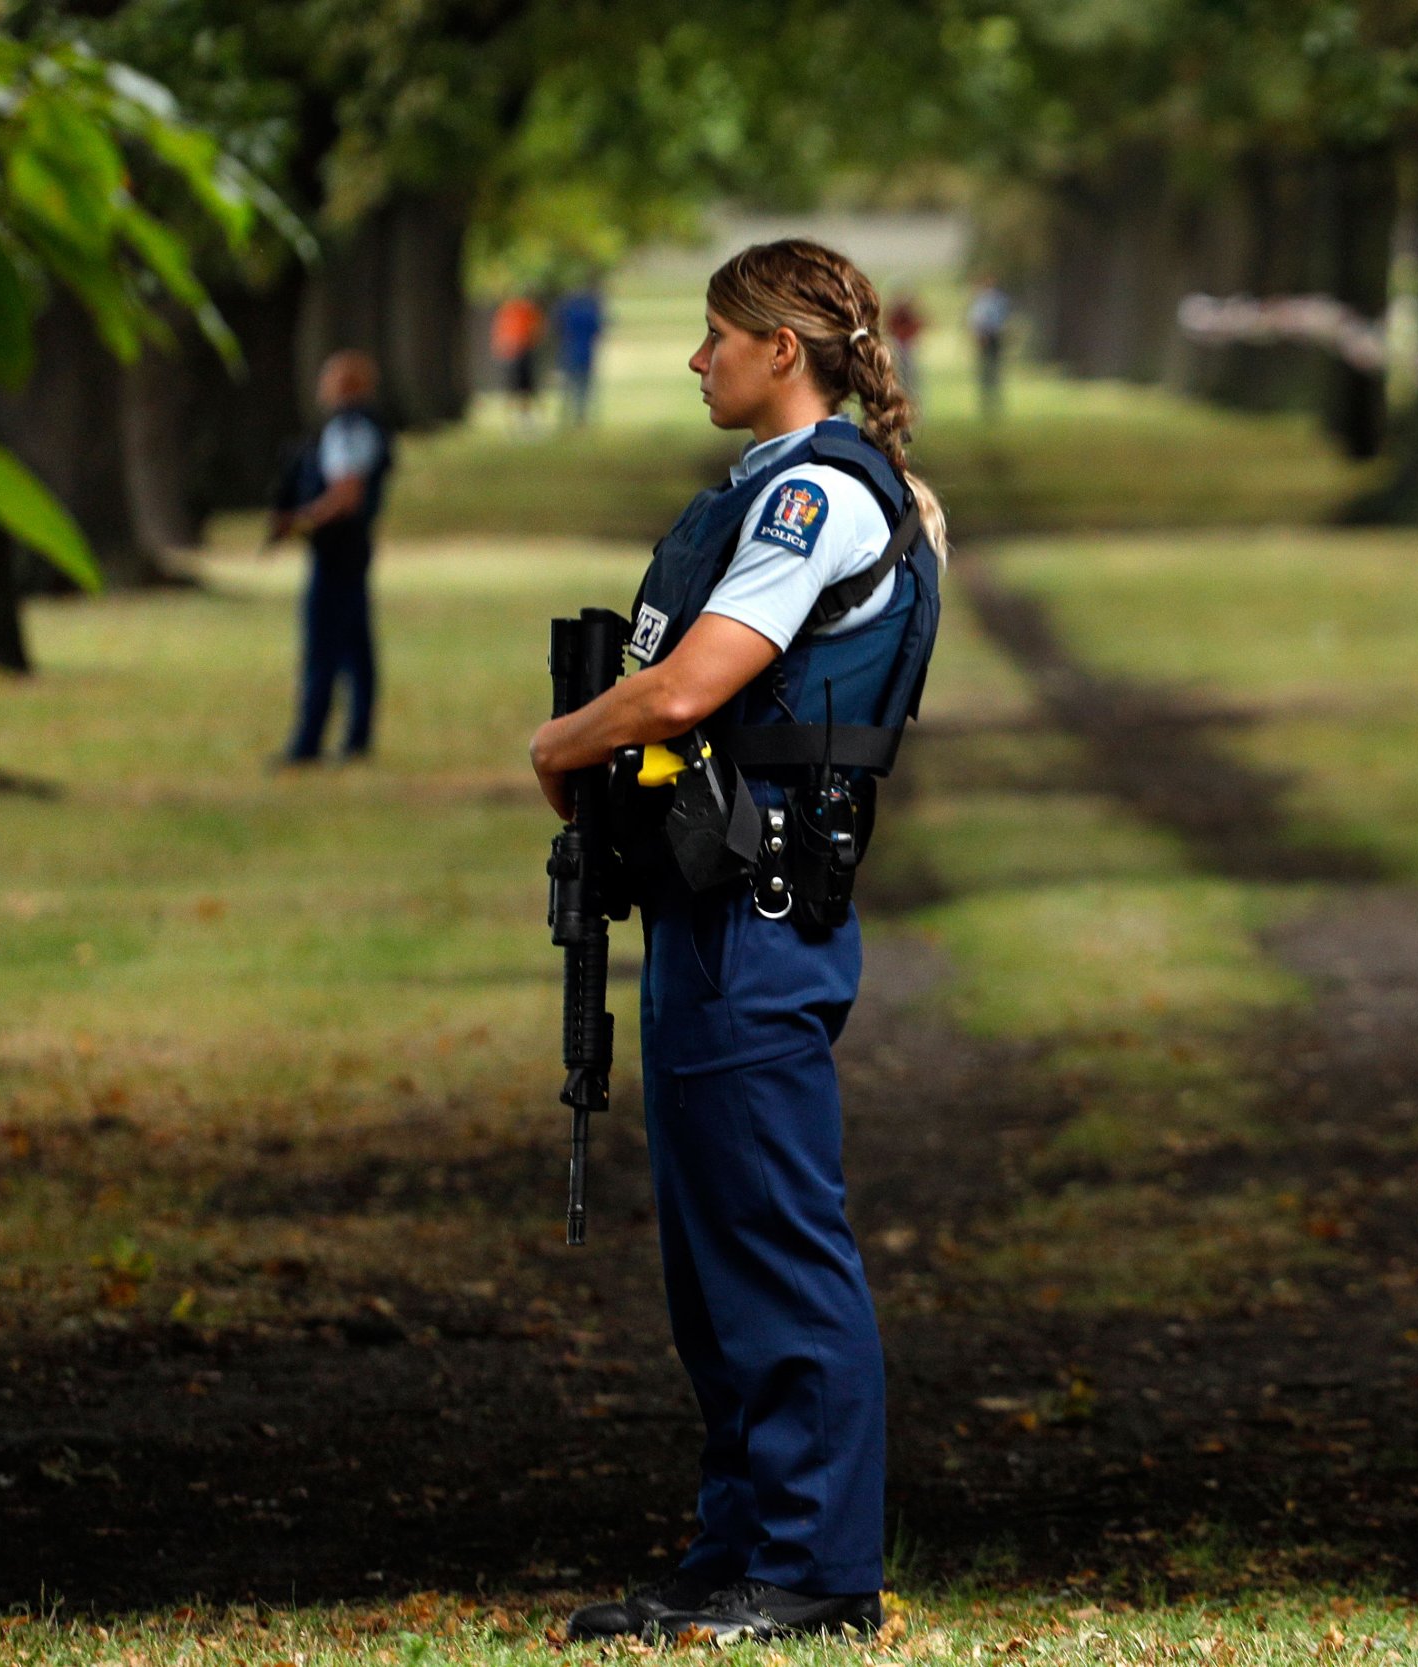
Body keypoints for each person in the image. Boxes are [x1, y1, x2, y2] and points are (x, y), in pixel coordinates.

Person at [529, 239, 947, 1646]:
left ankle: (819, 1564)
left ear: (785, 347)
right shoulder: (792, 484)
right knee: (713, 1258)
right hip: (716, 906)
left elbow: (698, 682)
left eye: (717, 334)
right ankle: (739, 1549)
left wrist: (560, 740)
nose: (698, 358)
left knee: (773, 1241)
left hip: (758, 918)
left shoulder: (816, 493)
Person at [268, 350, 392, 766]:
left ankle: (308, 743)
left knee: (322, 648)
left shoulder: (346, 429)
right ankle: (357, 737)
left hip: (336, 549)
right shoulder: (369, 426)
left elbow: (346, 494)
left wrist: (301, 521)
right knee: (356, 646)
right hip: (355, 550)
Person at [554, 283, 607, 428]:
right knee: (584, 389)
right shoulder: (591, 313)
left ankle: (565, 419)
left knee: (568, 388)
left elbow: (559, 329)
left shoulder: (568, 312)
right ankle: (581, 420)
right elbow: (598, 331)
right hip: (586, 354)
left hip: (569, 353)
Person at [490, 293, 544, 430]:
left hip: (524, 352)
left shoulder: (526, 311)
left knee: (524, 388)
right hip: (513, 354)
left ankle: (523, 419)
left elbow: (536, 331)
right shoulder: (509, 312)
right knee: (514, 388)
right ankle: (511, 422)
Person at [966, 277, 1011, 420]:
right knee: (987, 368)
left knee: (993, 368)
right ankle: (988, 397)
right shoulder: (984, 299)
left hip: (993, 335)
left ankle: (992, 397)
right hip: (987, 336)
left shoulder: (990, 300)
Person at [885, 292, 924, 408]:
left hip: (908, 348)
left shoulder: (907, 314)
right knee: (901, 379)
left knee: (910, 380)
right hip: (899, 347)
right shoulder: (897, 314)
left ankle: (910, 405)